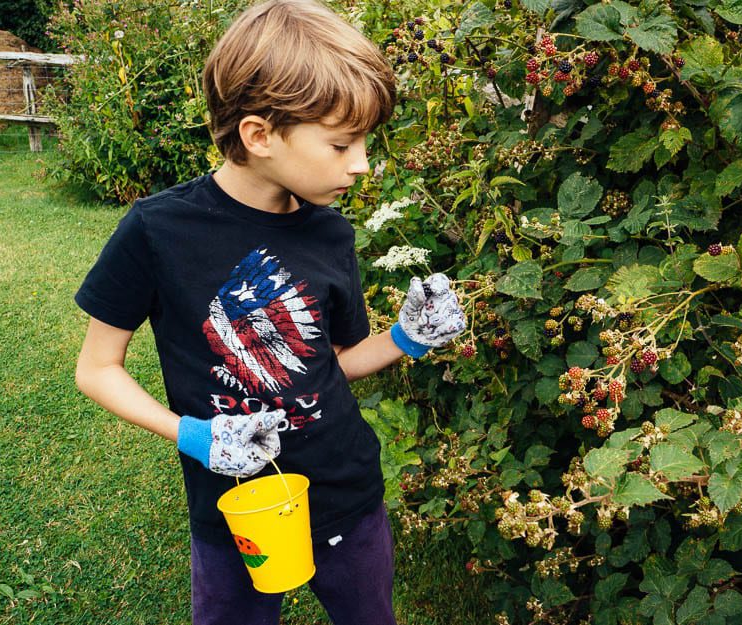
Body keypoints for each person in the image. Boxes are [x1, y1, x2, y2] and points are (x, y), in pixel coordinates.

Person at [72, 1, 466, 623]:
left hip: (346, 489)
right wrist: (193, 435)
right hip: (236, 504)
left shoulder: (331, 233)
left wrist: (407, 336)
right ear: (259, 135)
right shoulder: (156, 231)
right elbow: (96, 369)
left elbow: (333, 363)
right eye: (342, 143)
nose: (362, 163)